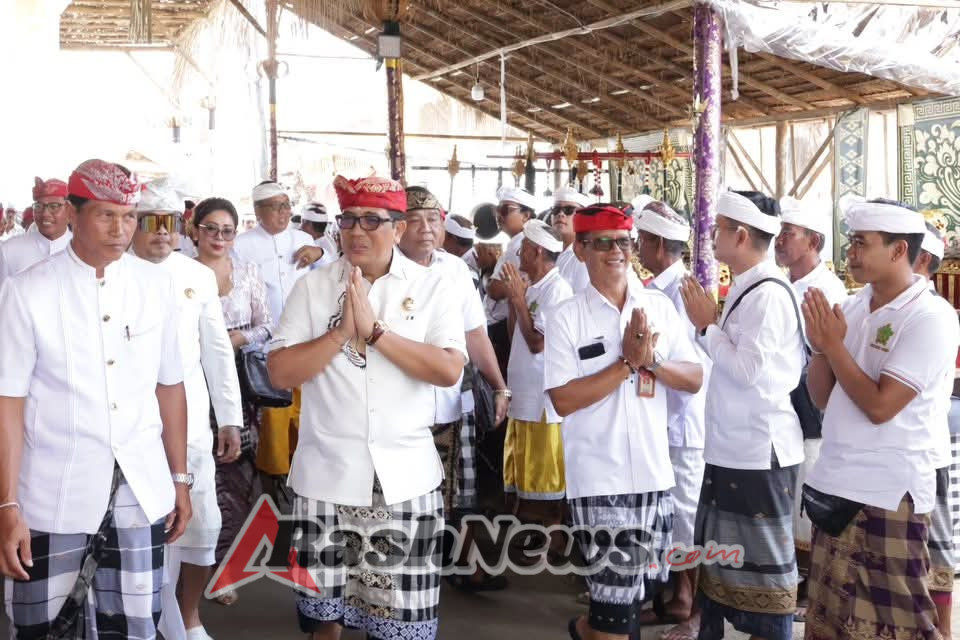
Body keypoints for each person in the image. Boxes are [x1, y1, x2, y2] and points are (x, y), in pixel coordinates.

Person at [266, 174, 465, 640]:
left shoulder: (433, 285)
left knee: (398, 623)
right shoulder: (313, 288)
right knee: (324, 620)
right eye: (349, 220)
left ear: (398, 228)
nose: (357, 231)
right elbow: (281, 373)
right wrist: (339, 334)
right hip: (326, 474)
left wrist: (376, 333)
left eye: (372, 221)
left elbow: (448, 369)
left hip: (405, 478)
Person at [0, 159, 191, 638]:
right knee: (44, 627)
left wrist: (180, 478)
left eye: (128, 216)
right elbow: (8, 401)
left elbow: (170, 386)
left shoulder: (156, 287)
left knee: (133, 626)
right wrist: (6, 505)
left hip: (140, 488)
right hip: (52, 490)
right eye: (106, 214)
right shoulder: (27, 292)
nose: (120, 228)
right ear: (72, 213)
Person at [544, 203, 702, 640]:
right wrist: (626, 366)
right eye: (603, 243)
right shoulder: (566, 316)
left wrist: (654, 361)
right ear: (580, 249)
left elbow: (693, 377)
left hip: (654, 476)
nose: (617, 252)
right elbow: (562, 399)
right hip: (600, 480)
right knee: (614, 617)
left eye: (624, 242)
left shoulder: (659, 309)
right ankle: (588, 629)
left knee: (625, 606)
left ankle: (582, 629)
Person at [803, 199, 959, 640]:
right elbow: (821, 398)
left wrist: (834, 347)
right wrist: (820, 346)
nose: (850, 253)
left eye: (861, 244)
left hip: (890, 492)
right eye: (851, 242)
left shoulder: (931, 316)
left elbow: (879, 407)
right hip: (837, 483)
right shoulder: (852, 308)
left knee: (899, 621)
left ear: (898, 251)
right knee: (831, 619)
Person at [680, 190, 804, 640]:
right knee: (720, 561)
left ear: (742, 234)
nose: (712, 237)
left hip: (757, 450)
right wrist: (708, 327)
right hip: (733, 447)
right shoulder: (748, 286)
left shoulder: (767, 294)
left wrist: (706, 325)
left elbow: (747, 370)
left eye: (718, 230)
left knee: (765, 572)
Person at [129, 184, 245, 640]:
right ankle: (140, 618)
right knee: (139, 526)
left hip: (193, 422)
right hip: (132, 426)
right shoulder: (115, 273)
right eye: (150, 221)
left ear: (181, 226)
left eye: (170, 222)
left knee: (202, 524)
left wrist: (229, 417)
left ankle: (189, 617)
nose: (161, 232)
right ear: (133, 223)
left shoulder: (196, 275)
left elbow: (217, 350)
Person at [398, 186, 509, 591]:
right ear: (397, 226)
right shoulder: (382, 269)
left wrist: (500, 386)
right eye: (416, 220)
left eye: (434, 220)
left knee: (454, 494)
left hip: (446, 404)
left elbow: (475, 333)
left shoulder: (454, 270)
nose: (427, 229)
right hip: (396, 410)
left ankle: (446, 570)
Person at [631, 201, 710, 632]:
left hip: (684, 420)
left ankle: (690, 603)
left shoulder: (682, 292)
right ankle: (672, 594)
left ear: (659, 245)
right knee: (669, 513)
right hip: (663, 418)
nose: (638, 248)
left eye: (642, 241)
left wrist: (650, 361)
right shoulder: (655, 289)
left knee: (685, 513)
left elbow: (690, 362)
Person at [194, 196, 273, 607]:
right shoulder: (178, 273)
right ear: (195, 230)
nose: (219, 237)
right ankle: (191, 565)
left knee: (237, 480)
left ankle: (223, 567)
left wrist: (237, 339)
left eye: (227, 230)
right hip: (190, 384)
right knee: (196, 477)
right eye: (211, 229)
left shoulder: (248, 273)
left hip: (240, 387)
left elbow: (267, 326)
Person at [773, 196, 848, 622]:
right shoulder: (784, 284)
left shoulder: (825, 290)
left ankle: (810, 585)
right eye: (780, 232)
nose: (781, 240)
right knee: (791, 495)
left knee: (809, 495)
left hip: (810, 409)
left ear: (814, 242)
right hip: (788, 407)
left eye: (790, 233)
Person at [232, 181, 316, 513]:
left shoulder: (305, 240)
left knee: (308, 422)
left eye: (286, 205)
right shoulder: (242, 245)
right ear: (258, 211)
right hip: (266, 350)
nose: (284, 212)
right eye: (275, 206)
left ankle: (305, 490)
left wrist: (319, 253)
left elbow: (329, 273)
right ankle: (272, 501)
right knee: (273, 428)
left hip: (308, 345)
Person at [501, 220, 572, 554]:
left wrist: (517, 298)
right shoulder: (536, 286)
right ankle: (531, 530)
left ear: (539, 252)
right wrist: (519, 297)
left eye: (525, 249)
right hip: (524, 392)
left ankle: (553, 536)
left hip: (543, 397)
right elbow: (518, 331)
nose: (519, 254)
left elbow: (537, 344)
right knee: (524, 468)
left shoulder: (557, 290)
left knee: (545, 471)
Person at [914, 221, 955, 640]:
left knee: (936, 555)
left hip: (927, 450)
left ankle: (943, 633)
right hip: (901, 455)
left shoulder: (933, 313)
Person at [485, 187, 537, 372]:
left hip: (507, 327)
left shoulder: (523, 246)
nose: (499, 215)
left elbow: (497, 290)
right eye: (497, 210)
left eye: (506, 210)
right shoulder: (515, 244)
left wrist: (487, 275)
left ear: (526, 216)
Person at [0, 177, 72, 283]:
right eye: (38, 206)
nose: (45, 213)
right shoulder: (8, 250)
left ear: (69, 210)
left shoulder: (85, 252)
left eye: (54, 206)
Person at [549, 186, 592, 292]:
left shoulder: (584, 257)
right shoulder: (547, 251)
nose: (561, 214)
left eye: (569, 210)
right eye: (556, 209)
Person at [299, 201, 338, 268]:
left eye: (303, 222)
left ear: (309, 225)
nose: (300, 227)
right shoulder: (316, 240)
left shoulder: (326, 251)